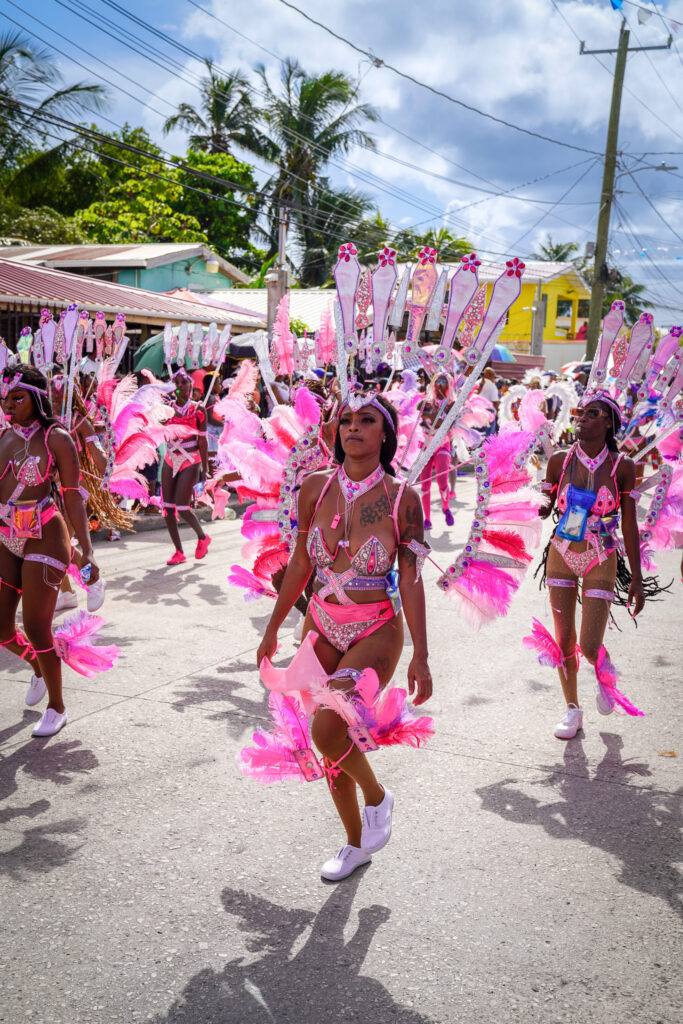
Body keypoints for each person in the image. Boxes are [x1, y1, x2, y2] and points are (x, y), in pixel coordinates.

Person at [255, 391, 433, 881]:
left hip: (376, 627)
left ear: (385, 434)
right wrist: (274, 627)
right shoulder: (313, 487)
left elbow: (412, 579)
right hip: (320, 623)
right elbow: (299, 562)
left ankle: (379, 798)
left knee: (328, 728)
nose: (353, 427)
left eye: (367, 420)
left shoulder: (404, 500)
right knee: (330, 744)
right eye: (347, 420)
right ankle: (355, 845)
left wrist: (421, 653)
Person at [538, 391, 647, 740]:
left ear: (609, 423)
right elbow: (545, 497)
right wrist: (538, 503)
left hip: (601, 553)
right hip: (562, 551)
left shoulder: (623, 467)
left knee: (587, 643)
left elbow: (629, 524)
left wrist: (638, 577)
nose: (582, 417)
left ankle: (603, 668)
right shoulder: (559, 460)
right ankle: (572, 710)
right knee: (564, 640)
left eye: (593, 413)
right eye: (581, 412)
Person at [0, 365, 100, 737]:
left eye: (17, 397)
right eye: (5, 397)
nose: (8, 404)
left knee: (36, 626)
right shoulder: (3, 435)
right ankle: (38, 667)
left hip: (44, 532)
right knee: (2, 629)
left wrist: (87, 549)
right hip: (5, 534)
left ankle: (56, 708)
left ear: (37, 399)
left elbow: (73, 498)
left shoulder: (56, 437)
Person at [161, 369, 210, 565]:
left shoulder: (199, 409)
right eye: (177, 383)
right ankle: (179, 552)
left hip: (191, 460)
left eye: (184, 383)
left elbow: (203, 441)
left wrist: (204, 469)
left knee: (182, 506)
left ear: (191, 387)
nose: (180, 386)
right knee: (167, 508)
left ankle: (203, 537)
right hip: (170, 458)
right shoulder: (167, 408)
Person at [419, 373, 455, 529]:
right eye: (438, 381)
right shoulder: (425, 403)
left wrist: (434, 418)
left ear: (449, 385)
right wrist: (426, 414)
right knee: (424, 485)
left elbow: (446, 424)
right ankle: (427, 519)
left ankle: (446, 507)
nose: (440, 384)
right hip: (426, 446)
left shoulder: (451, 405)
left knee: (441, 481)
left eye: (444, 381)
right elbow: (418, 419)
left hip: (442, 445)